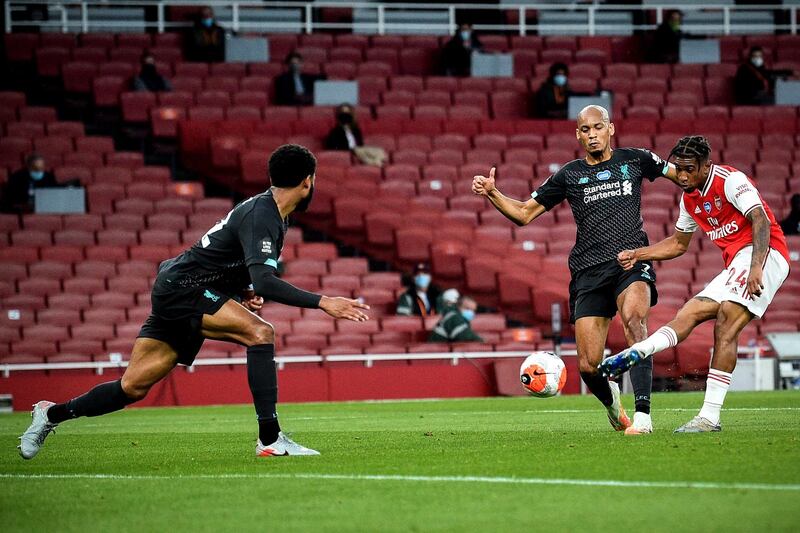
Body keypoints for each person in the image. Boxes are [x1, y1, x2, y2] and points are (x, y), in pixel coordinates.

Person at [18, 144, 370, 460]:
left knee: (132, 387)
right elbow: (266, 280)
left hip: (181, 287)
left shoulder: (273, 214)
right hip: (184, 287)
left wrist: (242, 291)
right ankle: (270, 439)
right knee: (260, 333)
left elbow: (234, 266)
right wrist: (324, 301)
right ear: (308, 181)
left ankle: (50, 415)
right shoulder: (263, 214)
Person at [472, 105, 683, 435]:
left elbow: (682, 176)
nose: (592, 134)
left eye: (598, 127)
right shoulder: (569, 175)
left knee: (635, 320)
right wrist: (493, 193)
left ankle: (643, 415)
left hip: (630, 261)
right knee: (587, 366)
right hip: (588, 271)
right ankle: (613, 403)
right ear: (578, 135)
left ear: (611, 128)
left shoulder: (637, 159)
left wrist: (707, 192)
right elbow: (525, 214)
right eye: (585, 130)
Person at [600, 136, 790, 433]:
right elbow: (678, 244)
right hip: (736, 263)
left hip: (765, 254)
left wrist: (756, 267)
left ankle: (709, 417)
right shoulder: (689, 199)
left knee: (727, 319)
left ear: (706, 166)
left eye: (689, 169)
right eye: (678, 168)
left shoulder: (730, 180)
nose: (682, 175)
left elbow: (760, 220)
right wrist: (638, 254)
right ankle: (638, 351)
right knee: (688, 312)